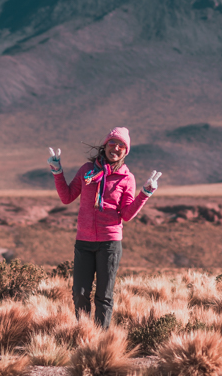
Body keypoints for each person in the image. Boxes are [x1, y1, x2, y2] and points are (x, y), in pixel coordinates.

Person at [48, 127, 161, 328]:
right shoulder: (86, 171)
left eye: (121, 145)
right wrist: (57, 171)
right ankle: (84, 333)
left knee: (104, 296)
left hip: (109, 243)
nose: (115, 148)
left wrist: (145, 193)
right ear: (105, 145)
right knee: (79, 293)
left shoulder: (127, 178)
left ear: (126, 151)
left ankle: (101, 342)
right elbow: (67, 197)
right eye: (112, 143)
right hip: (84, 242)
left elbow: (126, 215)